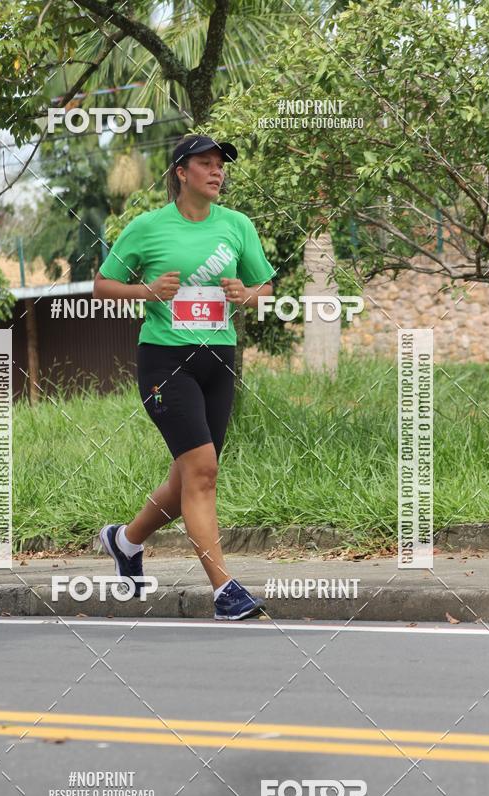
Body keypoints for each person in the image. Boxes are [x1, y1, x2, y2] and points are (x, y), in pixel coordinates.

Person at [93, 133, 276, 620]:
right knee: (203, 471)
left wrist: (246, 293)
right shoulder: (147, 228)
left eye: (221, 165)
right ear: (181, 172)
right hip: (165, 363)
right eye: (207, 164)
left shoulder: (237, 226)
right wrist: (146, 291)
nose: (218, 172)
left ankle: (126, 540)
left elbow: (265, 287)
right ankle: (224, 590)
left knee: (190, 475)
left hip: (218, 361)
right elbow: (102, 284)